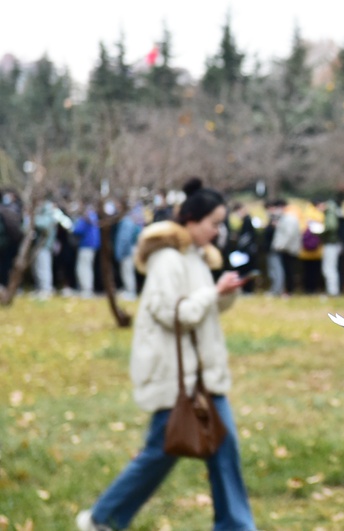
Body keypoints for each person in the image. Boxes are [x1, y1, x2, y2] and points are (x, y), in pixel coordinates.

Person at [76, 178, 257, 531]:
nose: (218, 232)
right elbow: (175, 314)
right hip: (176, 376)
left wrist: (224, 293)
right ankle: (103, 518)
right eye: (214, 223)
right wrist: (212, 293)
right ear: (191, 219)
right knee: (162, 450)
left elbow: (201, 310)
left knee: (221, 446)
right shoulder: (166, 258)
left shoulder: (193, 257)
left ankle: (235, 525)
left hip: (197, 374)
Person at [72, 204, 101, 298]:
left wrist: (74, 224)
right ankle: (86, 289)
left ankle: (86, 289)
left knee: (83, 268)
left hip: (86, 245)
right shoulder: (94, 216)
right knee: (87, 267)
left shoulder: (86, 217)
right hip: (92, 246)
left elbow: (77, 230)